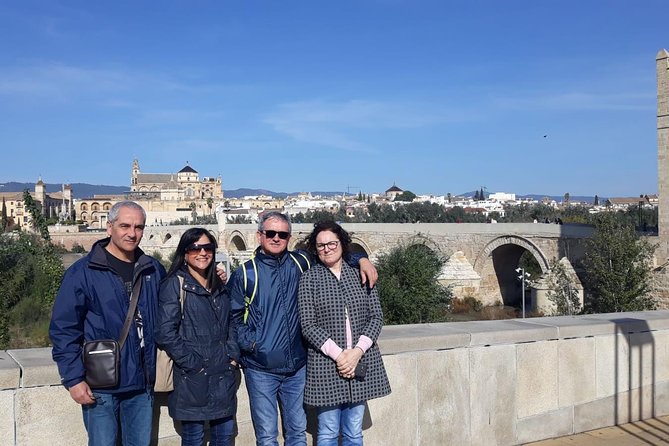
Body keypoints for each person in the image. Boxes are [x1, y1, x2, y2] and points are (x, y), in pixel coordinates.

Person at [228, 211, 378, 446]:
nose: (276, 238)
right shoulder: (246, 273)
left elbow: (333, 252)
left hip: (297, 368)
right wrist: (253, 344)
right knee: (267, 436)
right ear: (259, 236)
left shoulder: (301, 262)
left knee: (297, 434)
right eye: (270, 233)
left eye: (282, 234)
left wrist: (362, 258)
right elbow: (233, 317)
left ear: (289, 237)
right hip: (261, 368)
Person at [49, 201, 165, 446]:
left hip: (141, 383)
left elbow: (176, 302)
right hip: (100, 385)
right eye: (125, 226)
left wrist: (213, 278)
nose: (132, 233)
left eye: (138, 227)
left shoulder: (153, 269)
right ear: (109, 227)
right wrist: (73, 379)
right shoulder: (83, 272)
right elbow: (64, 329)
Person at [297, 221, 391, 446]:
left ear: (342, 244)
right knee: (328, 432)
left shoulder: (361, 274)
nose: (327, 248)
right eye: (321, 245)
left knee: (353, 432)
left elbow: (376, 317)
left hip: (360, 362)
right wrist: (340, 356)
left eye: (331, 243)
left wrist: (357, 352)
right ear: (315, 248)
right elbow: (308, 325)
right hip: (326, 365)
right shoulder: (309, 279)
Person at [155, 228, 240, 446]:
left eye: (207, 248)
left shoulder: (218, 285)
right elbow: (165, 332)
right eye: (195, 248)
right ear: (184, 252)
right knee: (193, 439)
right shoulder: (175, 284)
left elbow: (231, 322)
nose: (202, 252)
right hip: (191, 382)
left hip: (223, 376)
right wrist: (194, 365)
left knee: (225, 438)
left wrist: (232, 355)